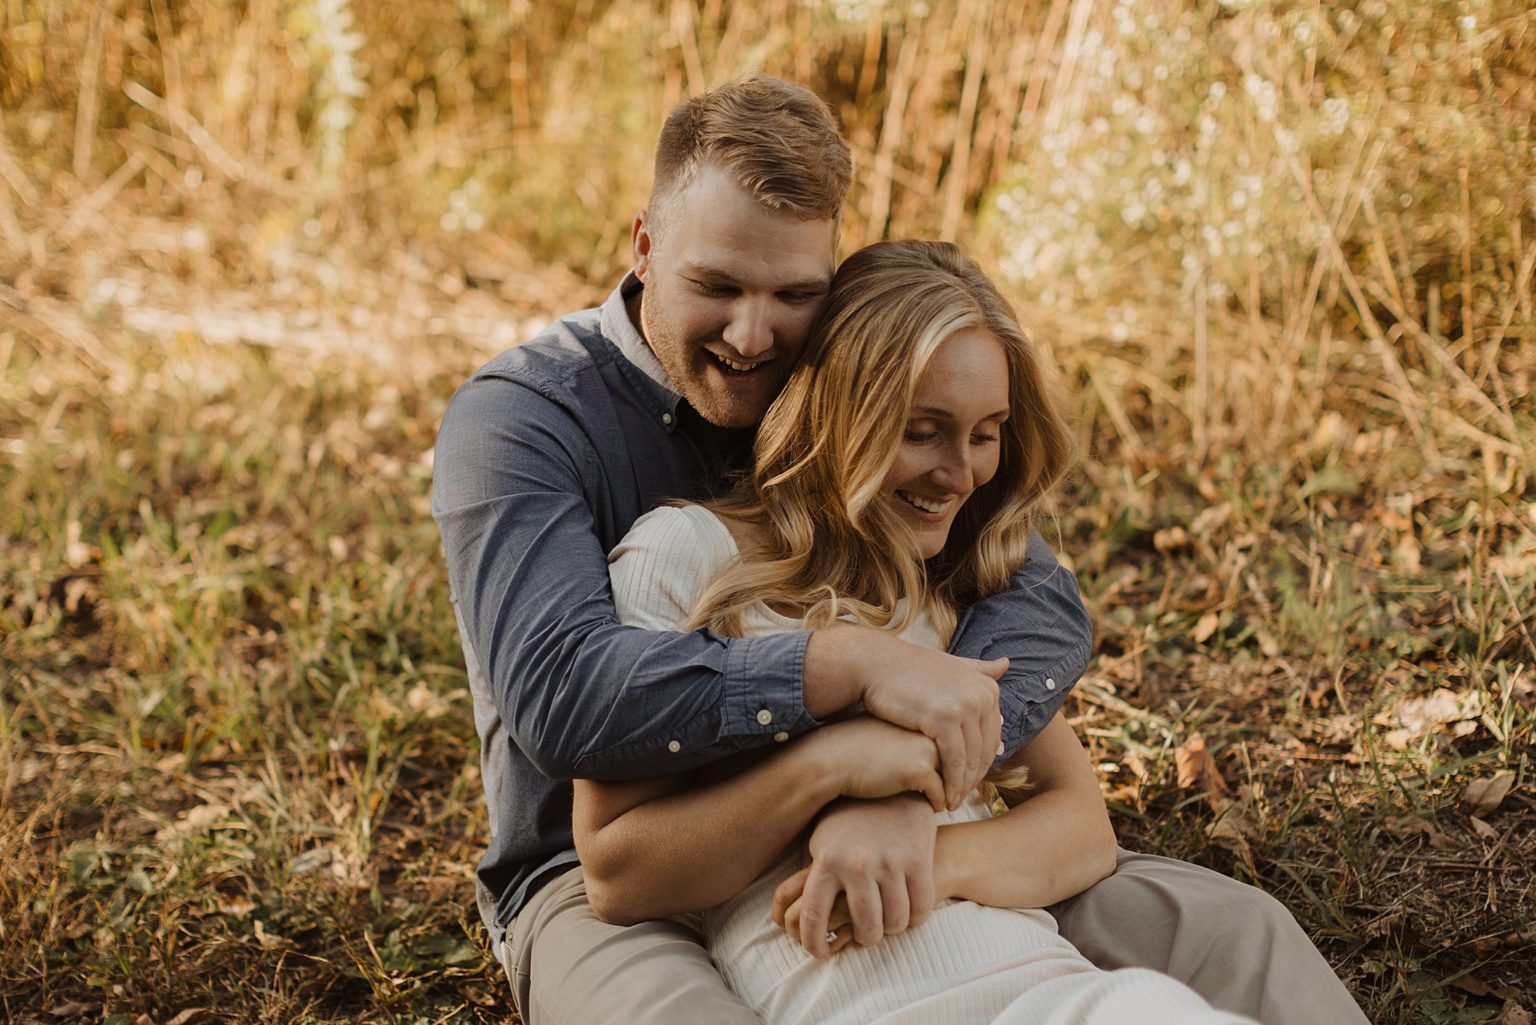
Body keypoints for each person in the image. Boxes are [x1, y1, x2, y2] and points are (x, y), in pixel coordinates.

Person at [431, 74, 1369, 1025]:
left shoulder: (846, 384)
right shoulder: (525, 422)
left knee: (1231, 933)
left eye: (795, 293)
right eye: (715, 285)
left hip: (912, 841)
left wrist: (912, 781)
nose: (753, 334)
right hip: (600, 881)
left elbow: (1031, 598)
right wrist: (846, 677)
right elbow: (563, 694)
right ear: (643, 245)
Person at [576, 238, 1259, 1025]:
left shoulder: (943, 578)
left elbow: (1082, 825)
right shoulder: (684, 557)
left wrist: (919, 844)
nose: (962, 473)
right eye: (923, 429)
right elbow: (621, 872)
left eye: (984, 431)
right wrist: (836, 766)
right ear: (839, 411)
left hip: (1072, 996)